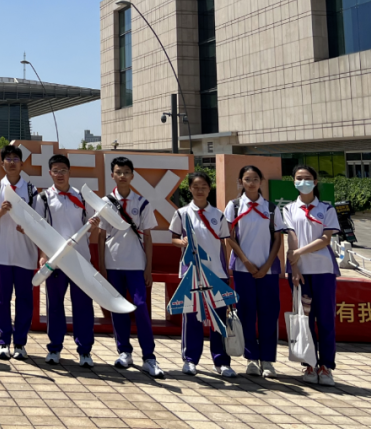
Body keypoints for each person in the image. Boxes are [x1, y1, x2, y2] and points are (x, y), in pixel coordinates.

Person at [96, 156, 164, 378]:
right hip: (113, 263)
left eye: (126, 172)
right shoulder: (105, 202)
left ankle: (149, 357)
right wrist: (102, 267)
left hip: (136, 264)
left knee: (141, 307)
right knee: (118, 309)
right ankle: (124, 351)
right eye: (118, 172)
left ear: (132, 175)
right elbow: (101, 236)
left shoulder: (142, 203)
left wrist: (148, 268)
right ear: (112, 175)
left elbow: (148, 237)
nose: (123, 176)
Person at [36, 154, 100, 366]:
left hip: (80, 259)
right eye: (55, 170)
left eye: (63, 170)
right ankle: (54, 348)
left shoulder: (82, 197)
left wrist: (95, 225)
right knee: (55, 305)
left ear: (69, 172)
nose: (59, 174)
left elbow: (92, 228)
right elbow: (39, 229)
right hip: (56, 260)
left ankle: (85, 351)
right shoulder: (44, 198)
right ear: (50, 173)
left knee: (83, 306)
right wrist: (43, 255)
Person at [170, 171, 235, 378]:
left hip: (216, 273)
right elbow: (173, 238)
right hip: (191, 273)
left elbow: (223, 243)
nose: (200, 190)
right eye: (196, 186)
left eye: (204, 186)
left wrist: (226, 272)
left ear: (209, 189)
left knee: (219, 320)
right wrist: (182, 242)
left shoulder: (218, 215)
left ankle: (221, 362)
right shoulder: (182, 213)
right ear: (190, 188)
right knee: (192, 319)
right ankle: (190, 360)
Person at [0, 144, 38, 360]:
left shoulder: (31, 190)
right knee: (2, 300)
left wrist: (28, 227)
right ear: (2, 163)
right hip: (2, 253)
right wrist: (1, 211)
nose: (12, 162)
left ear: (22, 164)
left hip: (25, 254)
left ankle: (20, 344)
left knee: (24, 300)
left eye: (15, 159)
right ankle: (3, 342)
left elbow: (38, 221)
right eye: (8, 159)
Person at [223, 164, 283, 377]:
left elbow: (278, 238)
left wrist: (267, 265)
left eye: (255, 179)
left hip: (268, 270)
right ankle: (251, 358)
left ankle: (267, 360)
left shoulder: (272, 208)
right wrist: (246, 261)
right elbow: (229, 236)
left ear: (261, 181)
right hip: (242, 269)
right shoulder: (234, 206)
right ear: (241, 181)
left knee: (268, 314)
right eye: (247, 179)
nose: (251, 183)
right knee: (246, 313)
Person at [284, 164, 340, 386]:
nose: (303, 181)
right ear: (293, 182)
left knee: (325, 319)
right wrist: (294, 267)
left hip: (323, 270)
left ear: (315, 182)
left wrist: (299, 253)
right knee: (304, 320)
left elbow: (326, 239)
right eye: (298, 178)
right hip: (301, 273)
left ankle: (326, 366)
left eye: (307, 178)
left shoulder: (326, 208)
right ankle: (309, 363)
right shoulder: (289, 209)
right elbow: (291, 237)